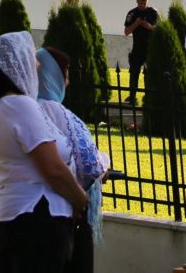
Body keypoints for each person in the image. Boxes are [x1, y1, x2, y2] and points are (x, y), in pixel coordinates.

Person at [0, 31, 88, 273]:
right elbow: (53, 168)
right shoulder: (19, 105)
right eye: (31, 59)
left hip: (15, 215)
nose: (36, 66)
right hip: (37, 215)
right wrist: (80, 200)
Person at [37, 46, 108, 273]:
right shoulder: (56, 111)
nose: (67, 83)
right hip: (66, 213)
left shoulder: (26, 107)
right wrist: (105, 164)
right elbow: (90, 165)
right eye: (65, 75)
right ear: (54, 76)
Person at [122, 0, 159, 104]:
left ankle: (150, 96)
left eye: (144, 3)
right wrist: (136, 23)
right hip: (137, 48)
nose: (142, 5)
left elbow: (159, 28)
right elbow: (127, 32)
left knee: (149, 74)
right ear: (137, 2)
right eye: (140, 3)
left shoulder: (153, 12)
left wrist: (149, 26)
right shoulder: (132, 13)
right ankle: (132, 96)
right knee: (134, 72)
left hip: (150, 48)